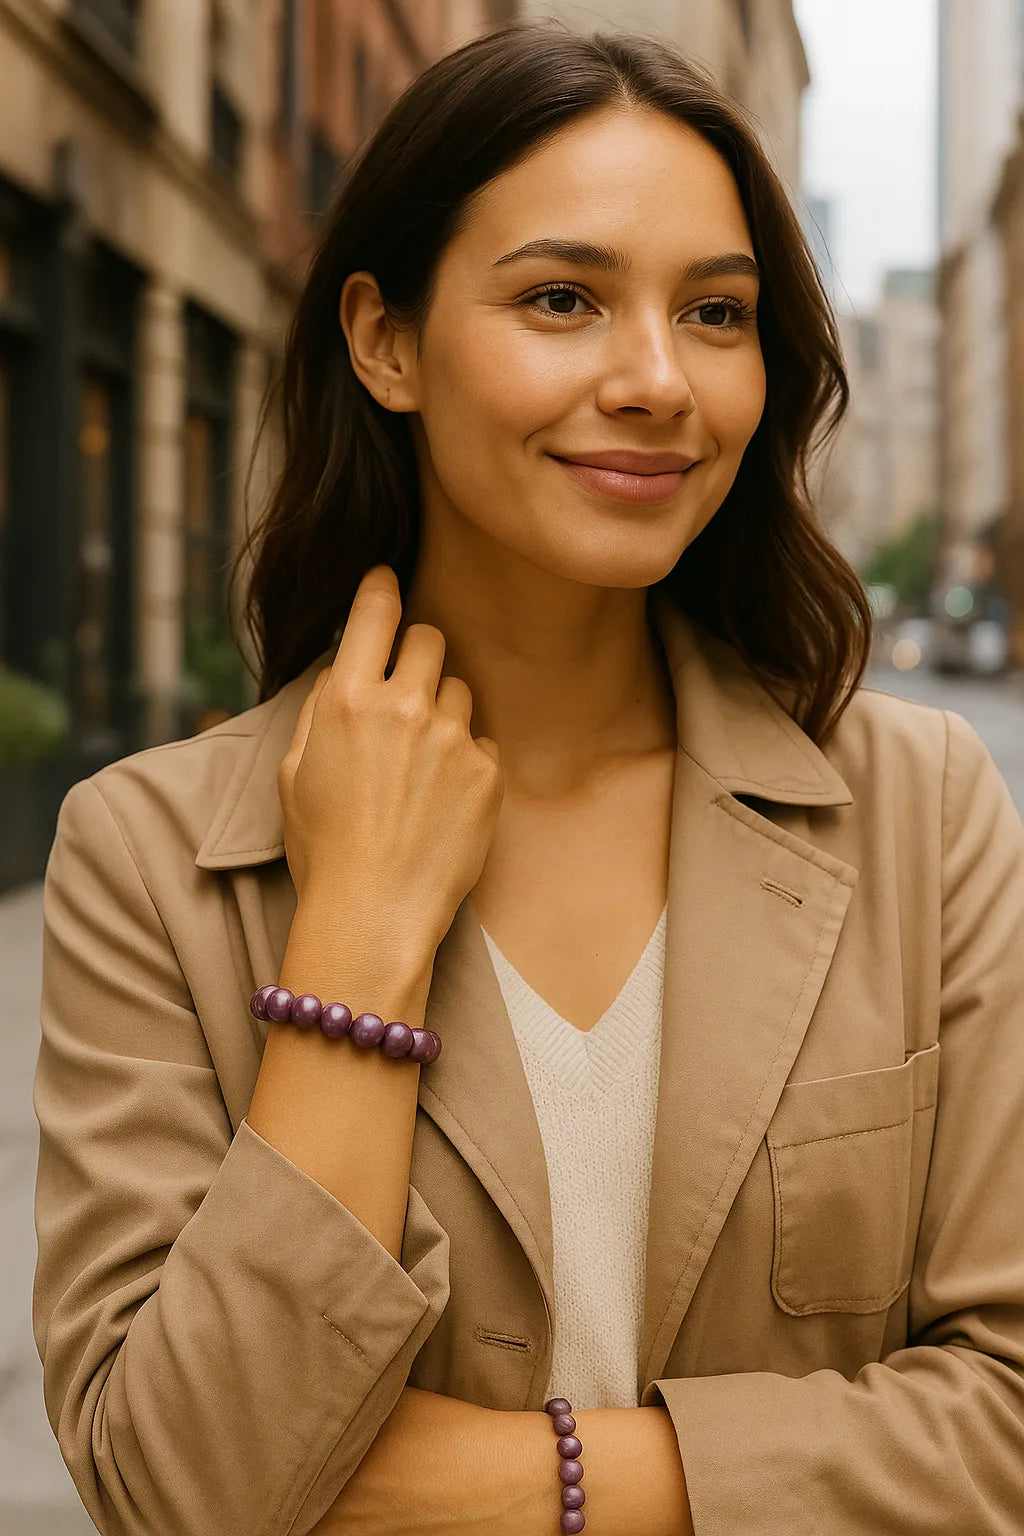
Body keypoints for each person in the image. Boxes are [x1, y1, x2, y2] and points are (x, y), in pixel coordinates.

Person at [32, 21, 1024, 1536]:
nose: (655, 381)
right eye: (562, 298)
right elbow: (183, 1491)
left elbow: (1006, 1413)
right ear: (386, 341)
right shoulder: (153, 855)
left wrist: (551, 1481)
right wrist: (357, 933)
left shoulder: (917, 806)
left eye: (715, 312)